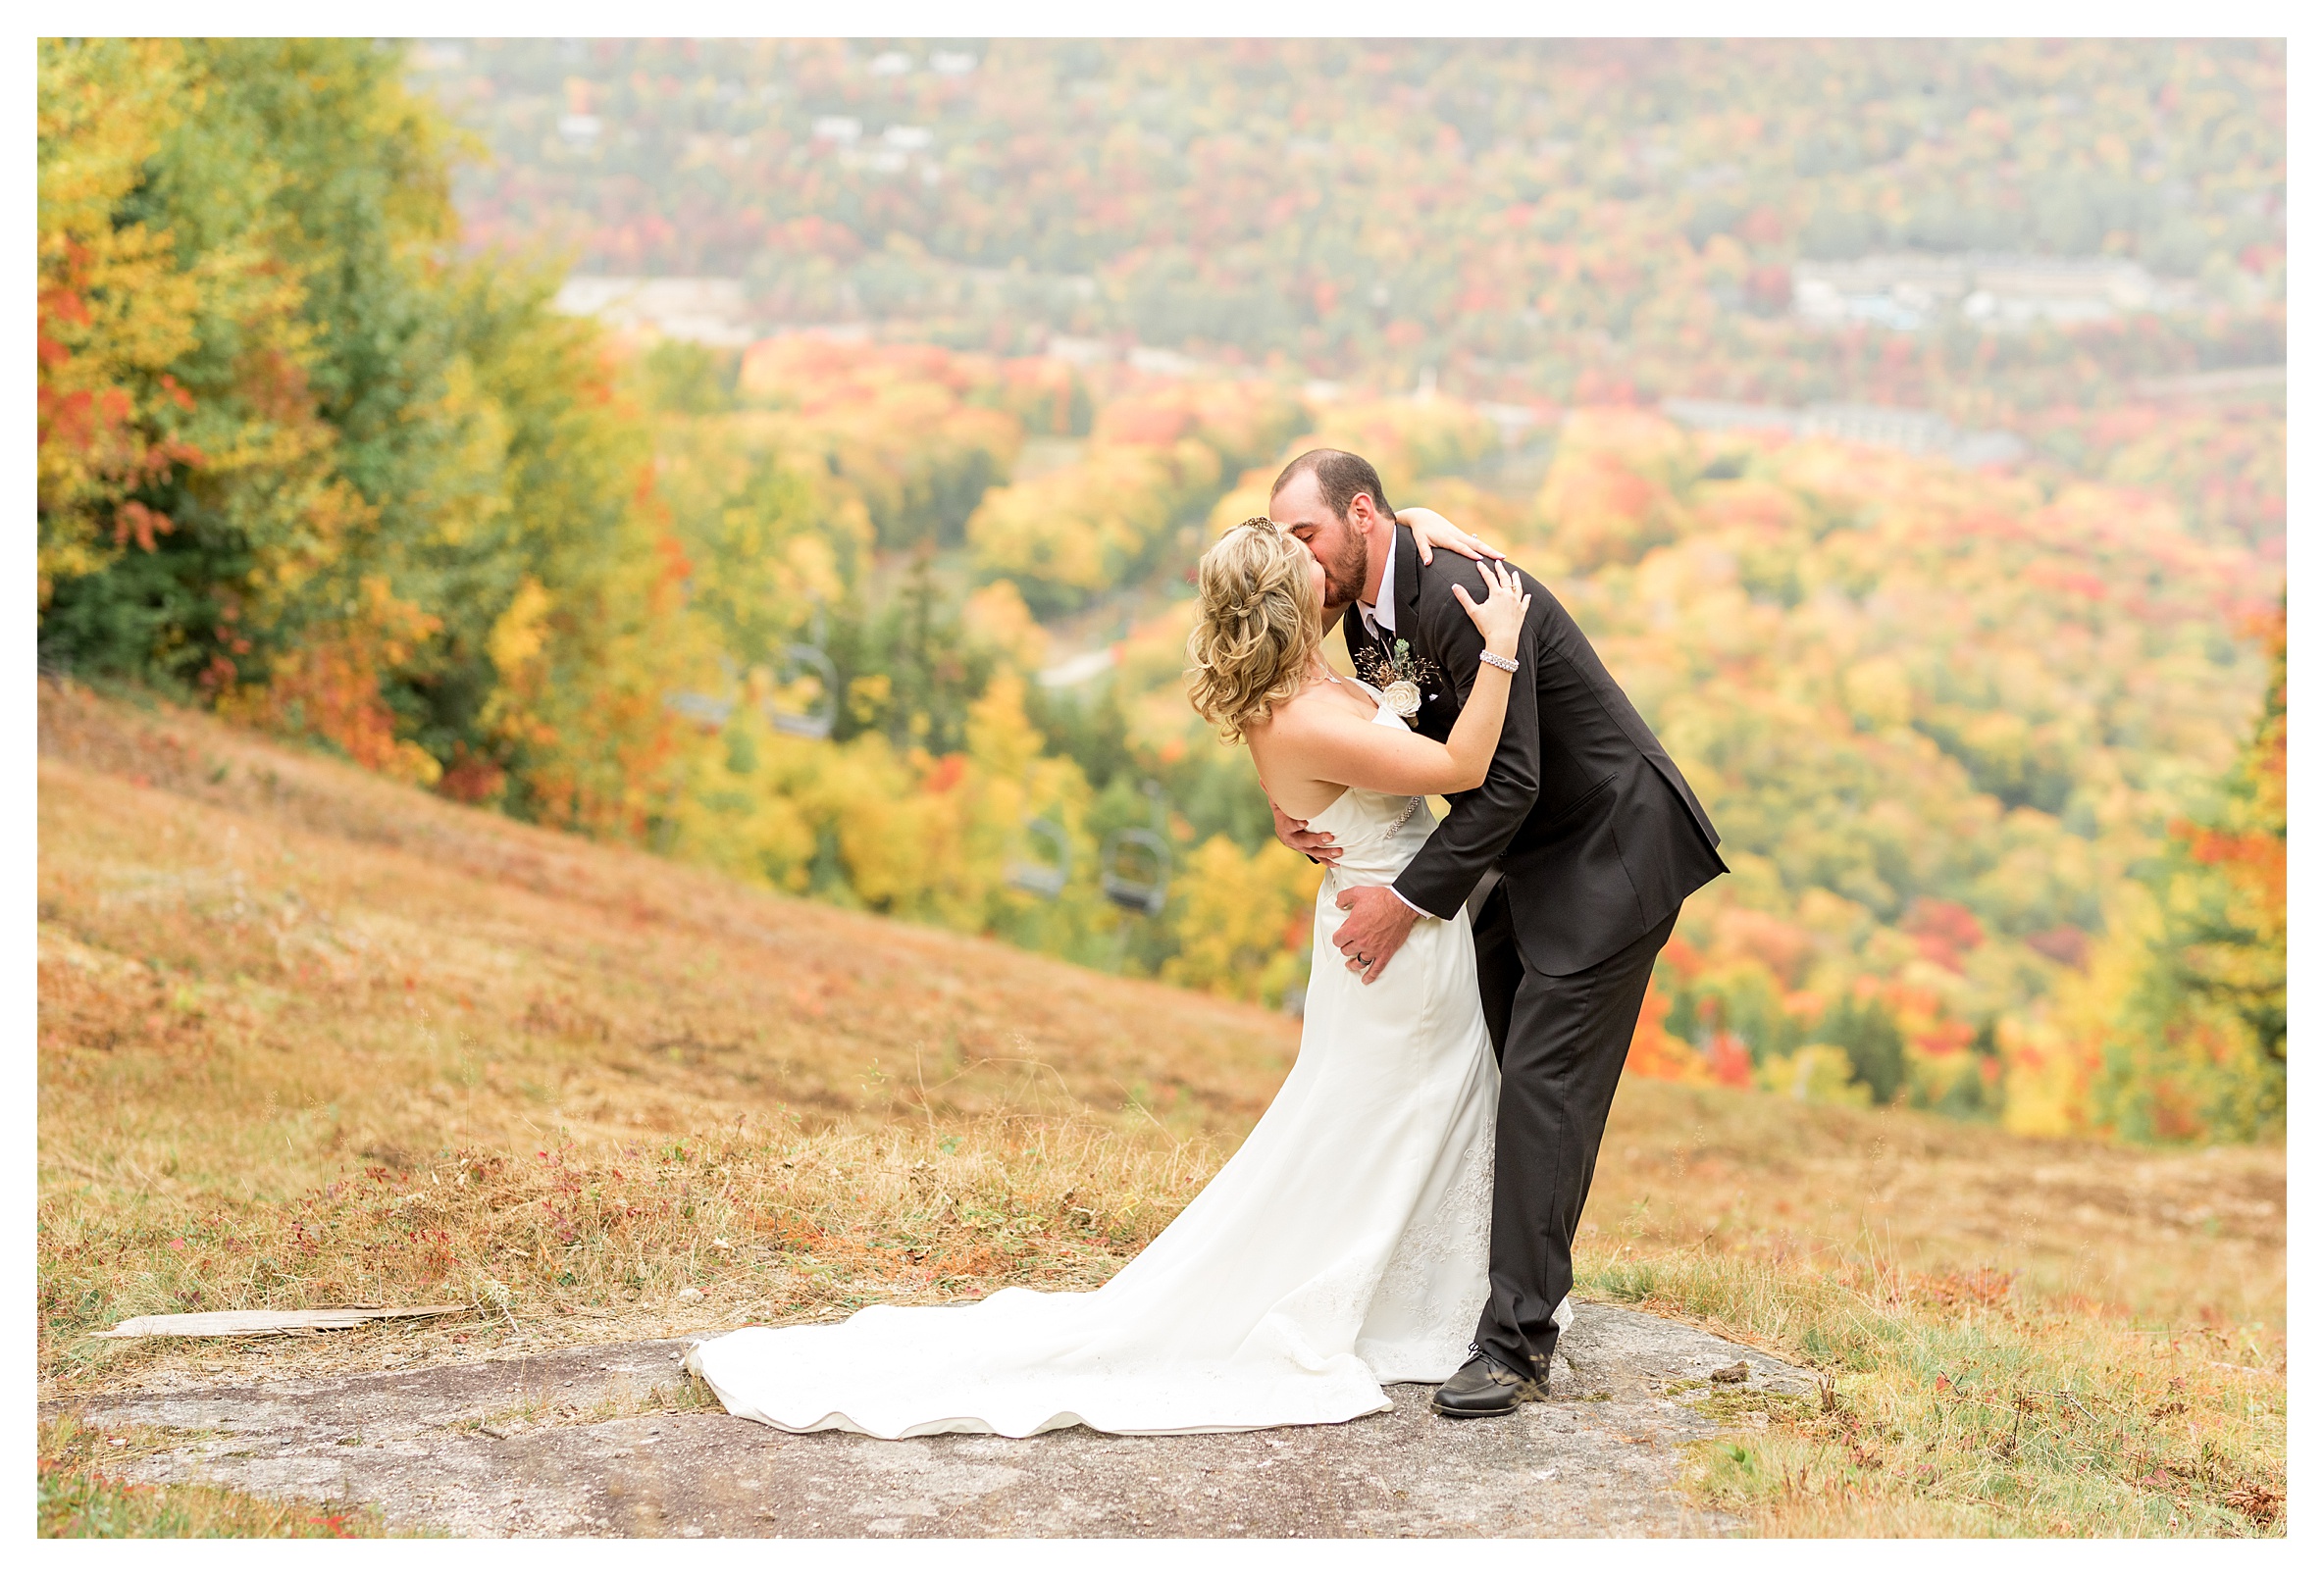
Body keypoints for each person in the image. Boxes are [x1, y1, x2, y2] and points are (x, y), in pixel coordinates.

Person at [684, 518, 1542, 1438]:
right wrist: (1499, 651)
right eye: (1309, 568)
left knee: (1402, 1116)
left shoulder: (1301, 687)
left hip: (1401, 933)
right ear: (1290, 607)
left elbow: (1353, 634)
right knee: (1384, 1117)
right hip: (1393, 951)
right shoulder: (1300, 714)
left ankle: (1420, 1288)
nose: (1329, 574)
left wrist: (1423, 527)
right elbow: (1460, 765)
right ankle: (1387, 1300)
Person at [1267, 449, 1726, 1418]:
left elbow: (1506, 778)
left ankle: (1514, 1344)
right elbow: (1402, 747)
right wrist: (1293, 798)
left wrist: (1407, 898)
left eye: (1303, 533)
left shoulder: (1461, 592)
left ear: (1359, 513)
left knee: (1542, 1089)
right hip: (1524, 852)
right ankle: (1443, 1284)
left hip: (1609, 849)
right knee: (1464, 1038)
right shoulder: (1362, 616)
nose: (1294, 555)